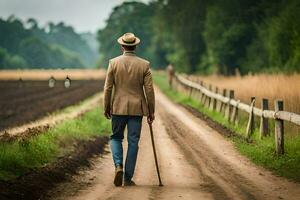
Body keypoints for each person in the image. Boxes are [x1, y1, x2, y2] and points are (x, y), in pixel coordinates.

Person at [103, 32, 155, 187]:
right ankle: (127, 178)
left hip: (118, 107)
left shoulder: (113, 63)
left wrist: (106, 106)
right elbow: (150, 90)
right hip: (136, 110)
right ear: (135, 46)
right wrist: (151, 111)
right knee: (133, 142)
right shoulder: (144, 65)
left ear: (122, 46)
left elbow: (108, 88)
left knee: (116, 138)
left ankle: (118, 165)